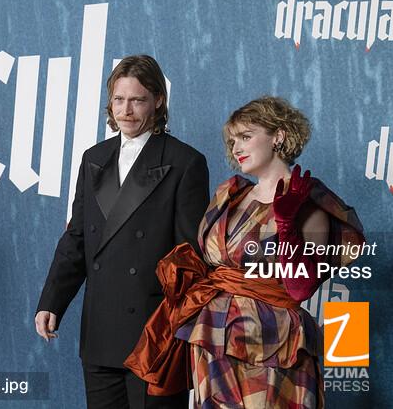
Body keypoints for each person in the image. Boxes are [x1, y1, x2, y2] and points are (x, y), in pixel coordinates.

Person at [125, 96, 365, 408]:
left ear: (278, 136)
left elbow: (300, 288)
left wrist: (287, 224)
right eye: (233, 140)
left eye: (246, 137)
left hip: (271, 342)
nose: (236, 148)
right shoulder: (230, 194)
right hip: (212, 334)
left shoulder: (309, 204)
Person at [35, 55, 210, 408]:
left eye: (137, 100)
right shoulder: (93, 158)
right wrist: (52, 300)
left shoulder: (185, 163)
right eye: (119, 99)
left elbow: (190, 257)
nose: (126, 111)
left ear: (158, 100)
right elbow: (77, 238)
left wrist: (178, 329)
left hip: (154, 336)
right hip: (100, 330)